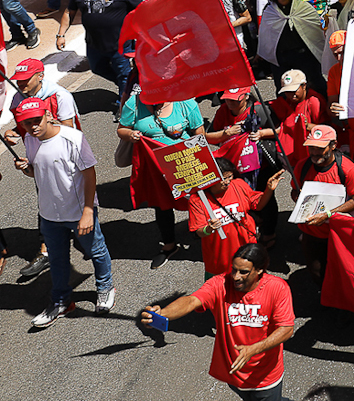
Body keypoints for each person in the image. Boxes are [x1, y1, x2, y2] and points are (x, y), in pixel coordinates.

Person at [141, 244, 295, 401]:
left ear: (260, 270)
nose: (235, 276)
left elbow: (287, 328)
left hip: (265, 378)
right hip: (234, 374)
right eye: (234, 269)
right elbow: (191, 301)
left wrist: (254, 349)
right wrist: (163, 313)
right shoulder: (220, 284)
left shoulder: (277, 288)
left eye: (244, 272)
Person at [13, 97, 116, 327]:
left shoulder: (73, 138)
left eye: (36, 120)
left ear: (48, 115)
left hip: (78, 212)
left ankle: (105, 287)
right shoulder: (30, 140)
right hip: (49, 215)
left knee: (95, 250)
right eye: (27, 123)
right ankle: (61, 302)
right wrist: (25, 169)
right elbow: (37, 173)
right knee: (58, 260)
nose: (33, 126)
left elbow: (89, 173)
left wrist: (88, 211)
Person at [117, 88, 207, 266]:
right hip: (154, 167)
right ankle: (169, 245)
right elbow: (122, 129)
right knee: (161, 205)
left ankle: (204, 235)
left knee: (197, 201)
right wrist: (131, 135)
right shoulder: (133, 104)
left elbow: (199, 132)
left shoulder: (184, 101)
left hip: (184, 162)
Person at [55, 0, 143, 103]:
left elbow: (141, 9)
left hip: (120, 44)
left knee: (123, 74)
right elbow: (69, 12)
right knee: (97, 69)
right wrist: (61, 34)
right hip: (94, 44)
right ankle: (131, 85)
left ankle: (124, 105)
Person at [290, 127, 354, 282]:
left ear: (333, 145)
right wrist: (298, 199)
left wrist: (328, 214)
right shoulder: (302, 166)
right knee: (317, 273)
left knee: (343, 272)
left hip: (338, 234)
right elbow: (293, 191)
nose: (315, 152)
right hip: (311, 234)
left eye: (320, 148)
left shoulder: (348, 169)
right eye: (312, 147)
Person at [189, 160, 286, 278]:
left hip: (247, 248)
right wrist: (208, 229)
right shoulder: (198, 200)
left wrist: (269, 190)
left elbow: (258, 205)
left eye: (230, 176)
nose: (228, 181)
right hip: (220, 258)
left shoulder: (239, 184)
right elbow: (199, 231)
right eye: (223, 179)